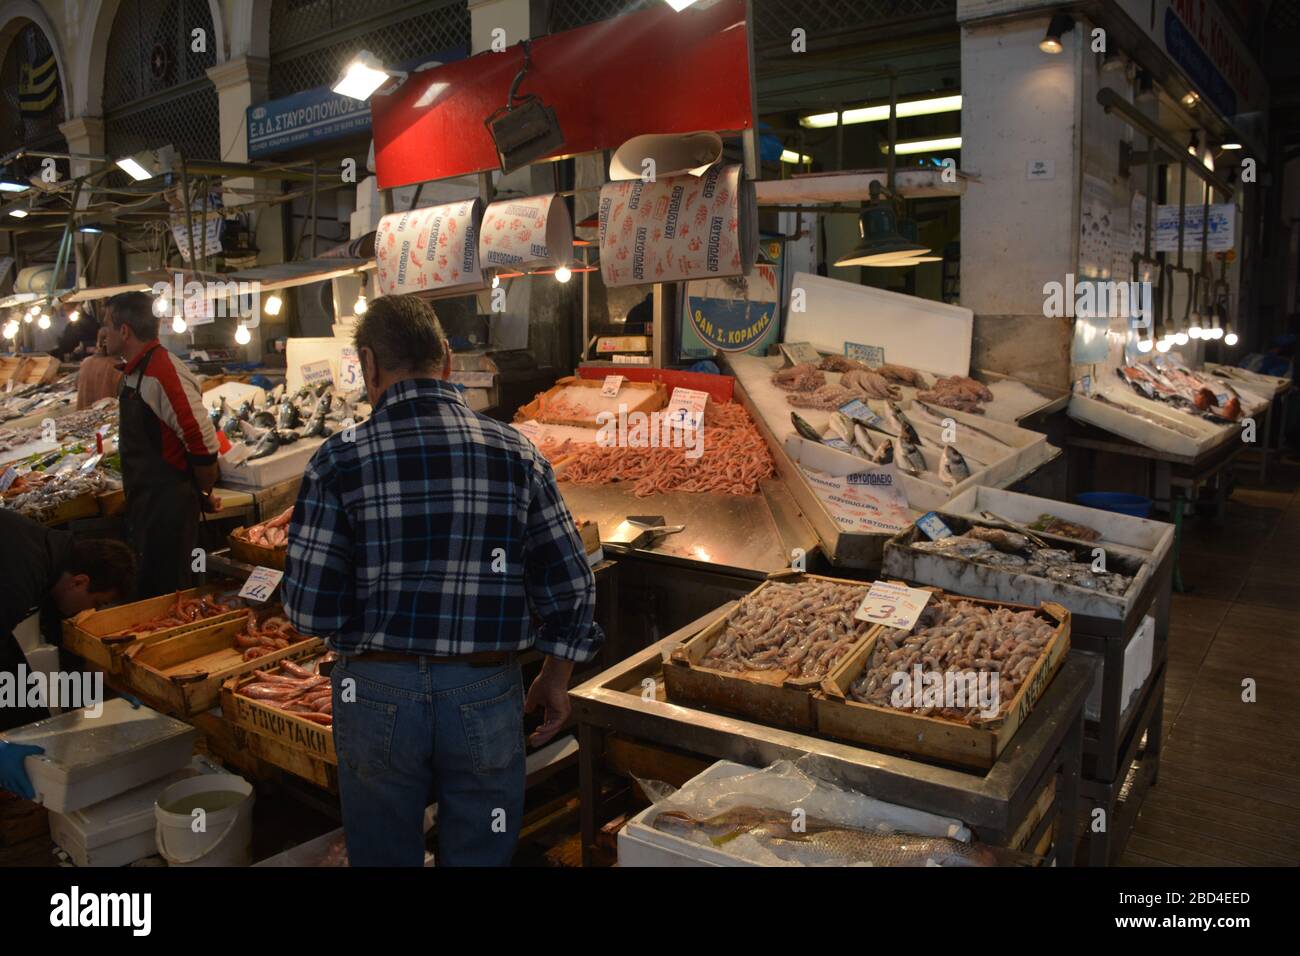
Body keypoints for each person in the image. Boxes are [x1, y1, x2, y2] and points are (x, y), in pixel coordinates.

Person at [283, 294, 602, 867]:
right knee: (481, 854)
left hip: (374, 695)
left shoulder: (336, 461)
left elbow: (311, 613)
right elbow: (572, 585)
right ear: (448, 361)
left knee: (382, 855)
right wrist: (556, 674)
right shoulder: (516, 453)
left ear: (368, 365)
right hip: (483, 693)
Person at [0, 510, 137, 797]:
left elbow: (61, 634)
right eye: (97, 602)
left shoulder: (59, 560)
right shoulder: (18, 580)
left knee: (28, 715)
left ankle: (36, 790)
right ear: (80, 581)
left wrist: (102, 689)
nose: (92, 611)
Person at [101, 291, 220, 597]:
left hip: (169, 507)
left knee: (171, 592)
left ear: (124, 331)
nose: (103, 333)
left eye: (107, 325)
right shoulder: (134, 371)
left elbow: (202, 441)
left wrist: (203, 491)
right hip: (145, 501)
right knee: (151, 586)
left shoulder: (162, 371)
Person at [76, 326, 124, 410]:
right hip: (105, 420)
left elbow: (76, 385)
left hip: (81, 418)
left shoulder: (85, 362)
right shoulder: (118, 368)